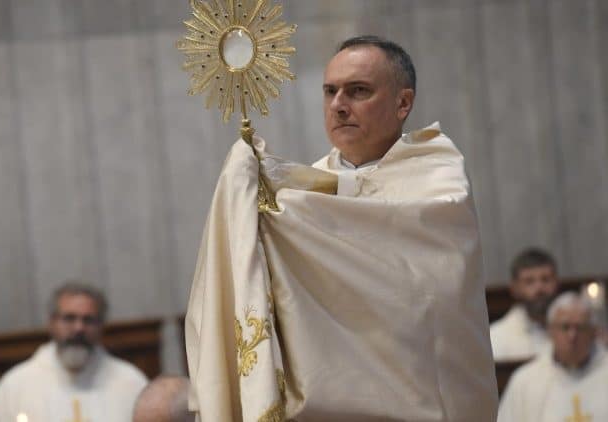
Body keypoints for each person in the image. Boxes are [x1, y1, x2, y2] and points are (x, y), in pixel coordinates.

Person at [186, 35, 498, 421]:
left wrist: (280, 208)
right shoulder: (307, 190)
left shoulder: (438, 179)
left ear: (403, 103)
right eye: (330, 92)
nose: (338, 106)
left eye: (358, 91)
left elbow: (423, 293)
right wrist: (250, 195)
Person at [0, 281, 148, 421]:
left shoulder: (130, 382)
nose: (79, 328)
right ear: (51, 323)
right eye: (69, 318)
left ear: (101, 325)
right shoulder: (16, 385)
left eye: (88, 320)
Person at [497, 292, 608, 421]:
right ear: (550, 331)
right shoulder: (525, 380)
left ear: (592, 331)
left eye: (580, 327)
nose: (572, 335)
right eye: (565, 327)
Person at [490, 248, 560, 361]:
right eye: (529, 281)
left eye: (546, 279)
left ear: (556, 283)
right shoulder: (496, 338)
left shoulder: (575, 330)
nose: (539, 288)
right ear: (514, 288)